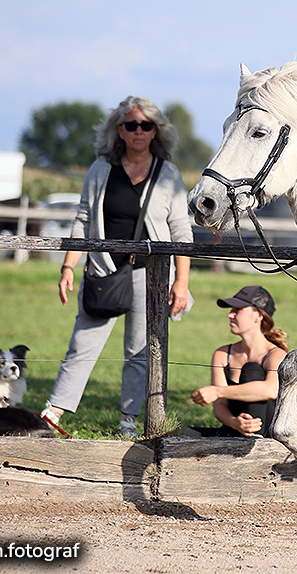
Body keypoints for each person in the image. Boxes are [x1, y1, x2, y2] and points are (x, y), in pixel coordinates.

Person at [40, 96, 193, 437]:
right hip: (103, 271)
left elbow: (181, 230)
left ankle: (128, 420)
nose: (138, 131)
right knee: (82, 345)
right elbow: (82, 218)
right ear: (119, 131)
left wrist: (180, 281)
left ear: (156, 131)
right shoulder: (100, 169)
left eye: (146, 125)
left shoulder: (168, 174)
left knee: (139, 352)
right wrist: (68, 266)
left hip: (149, 275)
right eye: (131, 125)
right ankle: (52, 415)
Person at [190, 286, 287, 437]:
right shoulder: (222, 354)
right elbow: (220, 406)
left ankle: (256, 444)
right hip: (234, 431)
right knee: (180, 434)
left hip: (268, 437)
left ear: (259, 315)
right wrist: (235, 422)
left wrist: (217, 391)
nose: (230, 315)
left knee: (252, 370)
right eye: (231, 310)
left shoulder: (276, 354)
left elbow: (270, 390)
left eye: (237, 309)